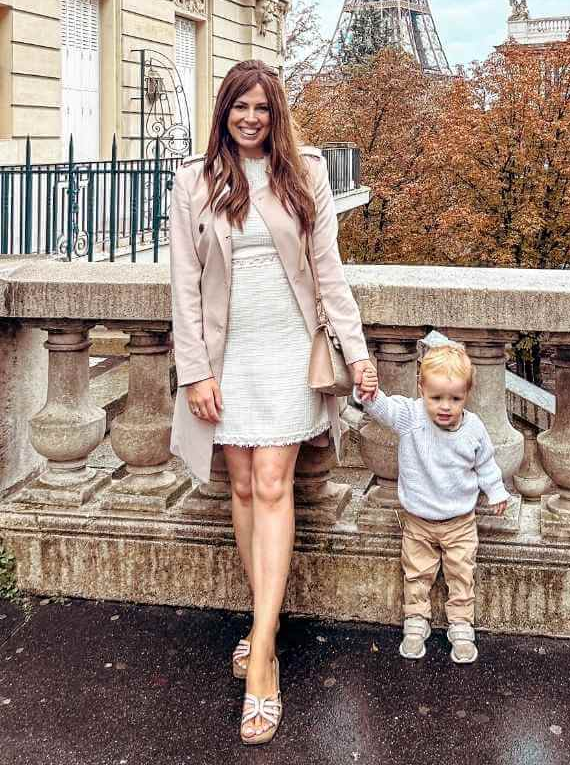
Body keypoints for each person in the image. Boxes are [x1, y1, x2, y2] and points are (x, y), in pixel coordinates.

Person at [169, 58, 377, 745]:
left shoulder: (305, 173)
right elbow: (185, 287)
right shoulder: (193, 181)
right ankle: (266, 619)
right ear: (224, 112)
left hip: (289, 348)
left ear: (276, 112)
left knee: (271, 481)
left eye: (262, 108)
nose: (251, 119)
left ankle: (261, 658)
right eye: (240, 108)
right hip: (228, 356)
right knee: (239, 486)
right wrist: (196, 371)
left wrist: (359, 354)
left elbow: (328, 274)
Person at [357, 334, 510, 664]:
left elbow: (486, 462)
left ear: (466, 395)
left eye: (454, 399)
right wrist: (369, 395)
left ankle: (461, 624)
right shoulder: (412, 416)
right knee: (416, 573)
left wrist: (496, 491)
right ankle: (416, 620)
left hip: (460, 523)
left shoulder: (474, 428)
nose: (445, 406)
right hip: (418, 521)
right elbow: (383, 408)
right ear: (422, 389)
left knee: (461, 575)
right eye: (436, 397)